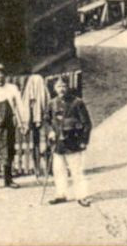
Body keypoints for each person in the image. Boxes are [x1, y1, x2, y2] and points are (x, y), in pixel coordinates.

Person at [44, 77, 93, 207]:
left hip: (73, 142)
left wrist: (83, 141)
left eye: (64, 86)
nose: (62, 89)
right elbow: (46, 121)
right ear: (54, 89)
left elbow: (87, 124)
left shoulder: (77, 103)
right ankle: (61, 194)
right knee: (59, 170)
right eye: (59, 86)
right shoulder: (51, 103)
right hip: (58, 143)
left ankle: (82, 196)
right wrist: (50, 131)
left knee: (76, 170)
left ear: (68, 87)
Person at [19, 71, 50, 177]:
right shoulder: (28, 91)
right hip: (33, 120)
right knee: (35, 145)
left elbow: (45, 101)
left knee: (45, 143)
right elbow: (26, 104)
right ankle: (37, 168)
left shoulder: (45, 90)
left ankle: (47, 168)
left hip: (44, 119)